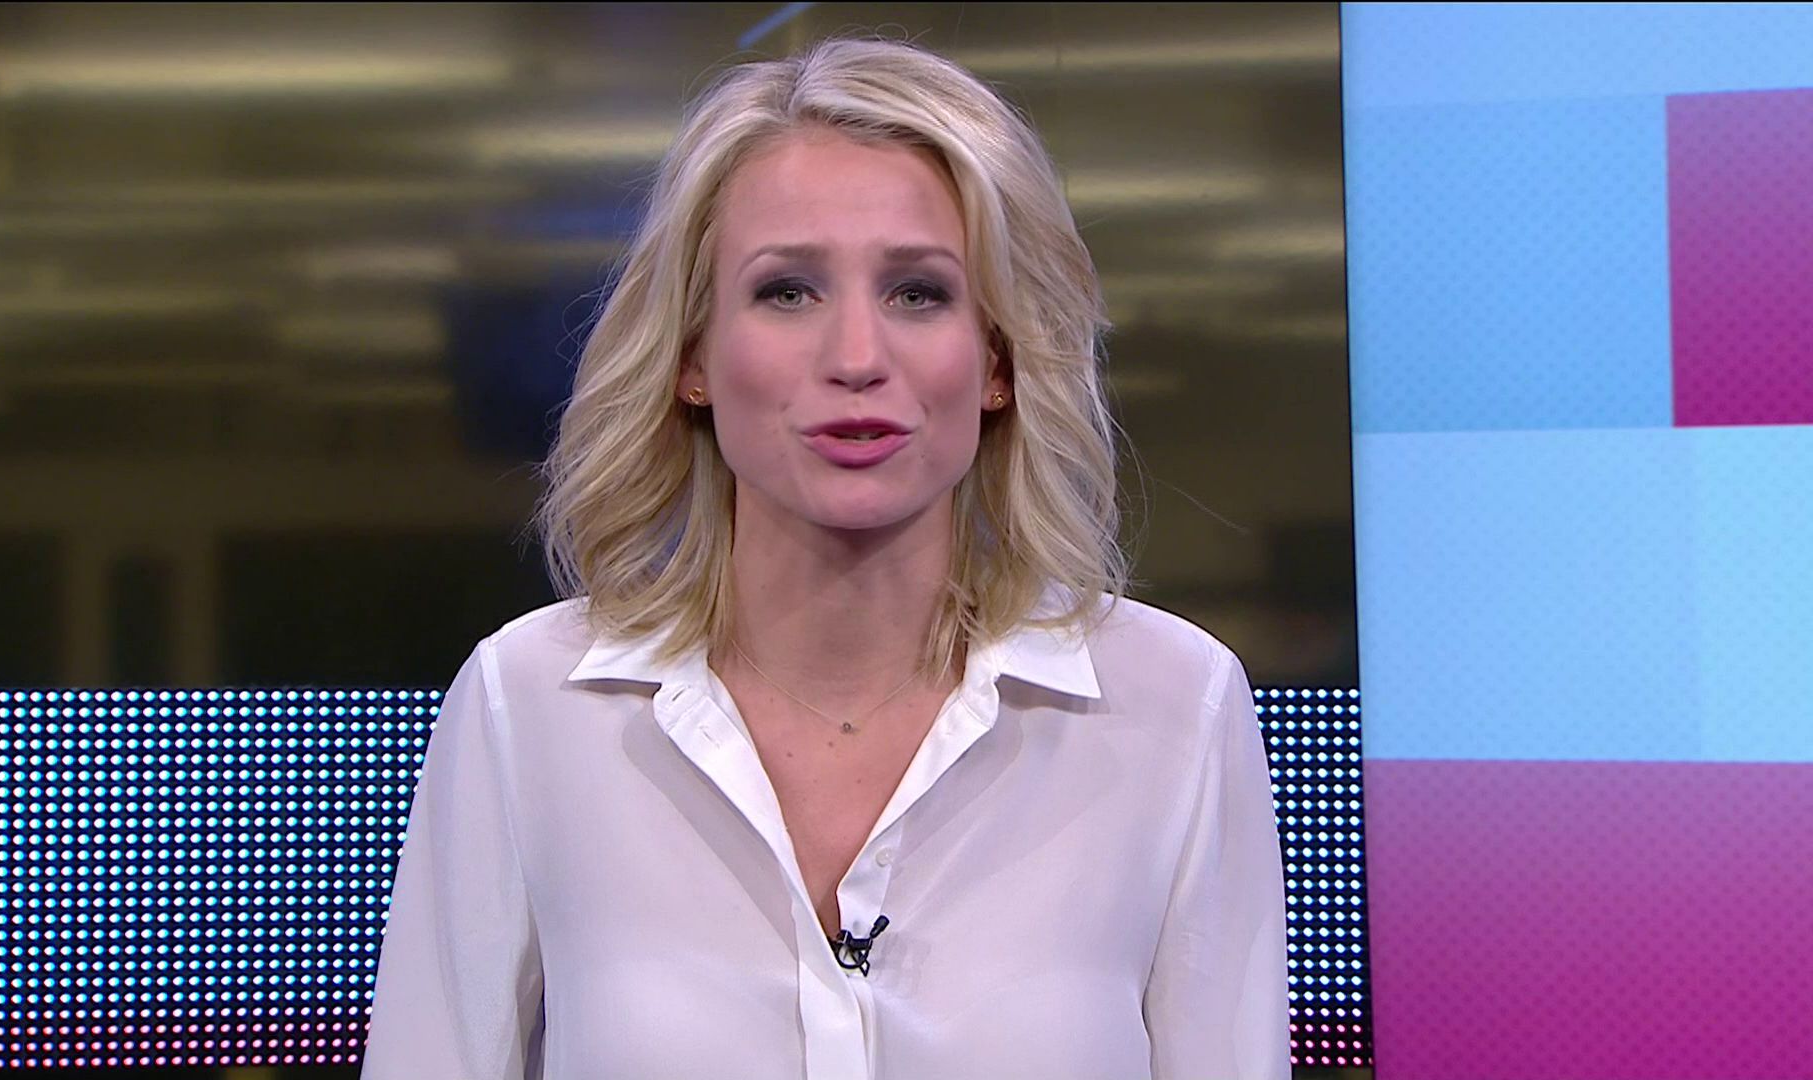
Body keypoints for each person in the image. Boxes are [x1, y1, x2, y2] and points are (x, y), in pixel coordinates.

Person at [360, 33, 1289, 1080]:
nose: (856, 358)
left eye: (919, 293)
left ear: (997, 359)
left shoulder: (1177, 704)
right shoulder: (526, 704)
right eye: (788, 291)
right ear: (694, 355)